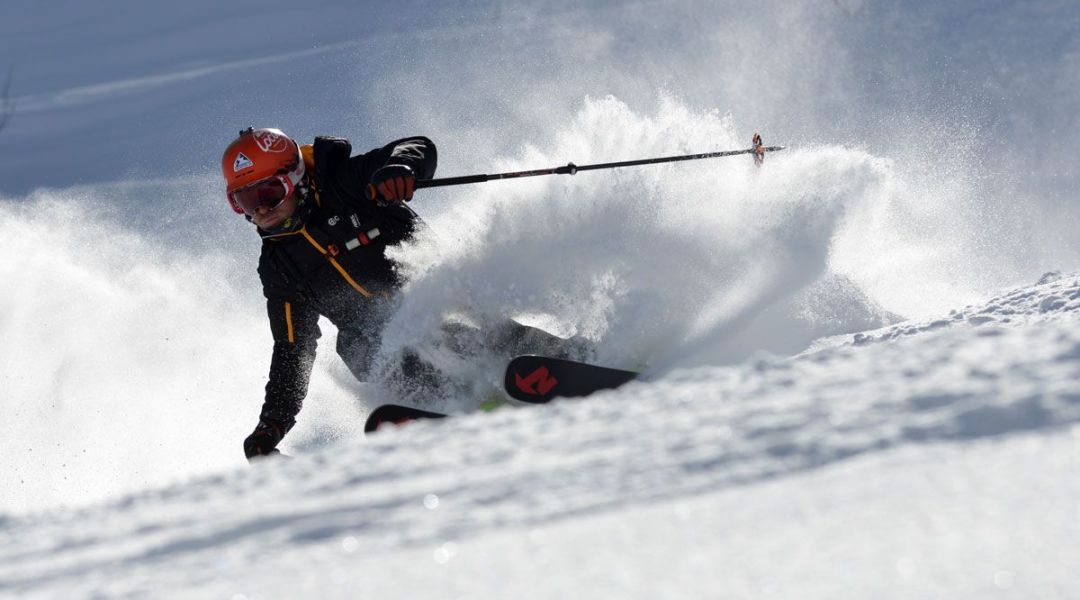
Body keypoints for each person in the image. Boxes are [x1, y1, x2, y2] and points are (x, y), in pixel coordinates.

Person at [222, 127, 437, 459]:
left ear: (294, 179)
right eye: (246, 201)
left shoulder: (342, 182)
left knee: (447, 324)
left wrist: (399, 169)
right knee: (356, 346)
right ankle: (443, 405)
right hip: (381, 341)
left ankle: (531, 361)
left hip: (433, 299)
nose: (261, 210)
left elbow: (416, 146)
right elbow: (293, 350)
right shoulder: (281, 266)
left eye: (269, 194)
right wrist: (272, 426)